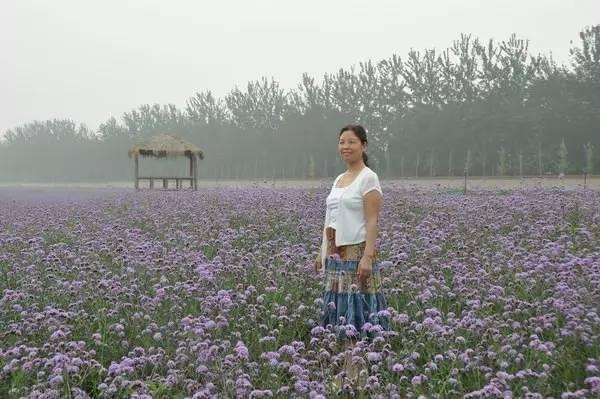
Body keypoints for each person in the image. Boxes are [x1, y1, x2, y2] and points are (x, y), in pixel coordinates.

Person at [314, 124, 389, 387]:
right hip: (335, 256)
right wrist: (321, 250)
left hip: (356, 254)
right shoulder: (338, 179)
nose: (345, 147)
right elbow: (330, 218)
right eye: (341, 142)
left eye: (352, 142)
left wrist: (368, 257)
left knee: (356, 314)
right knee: (338, 314)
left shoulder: (369, 178)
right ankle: (346, 371)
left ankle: (357, 374)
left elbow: (372, 221)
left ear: (364, 146)